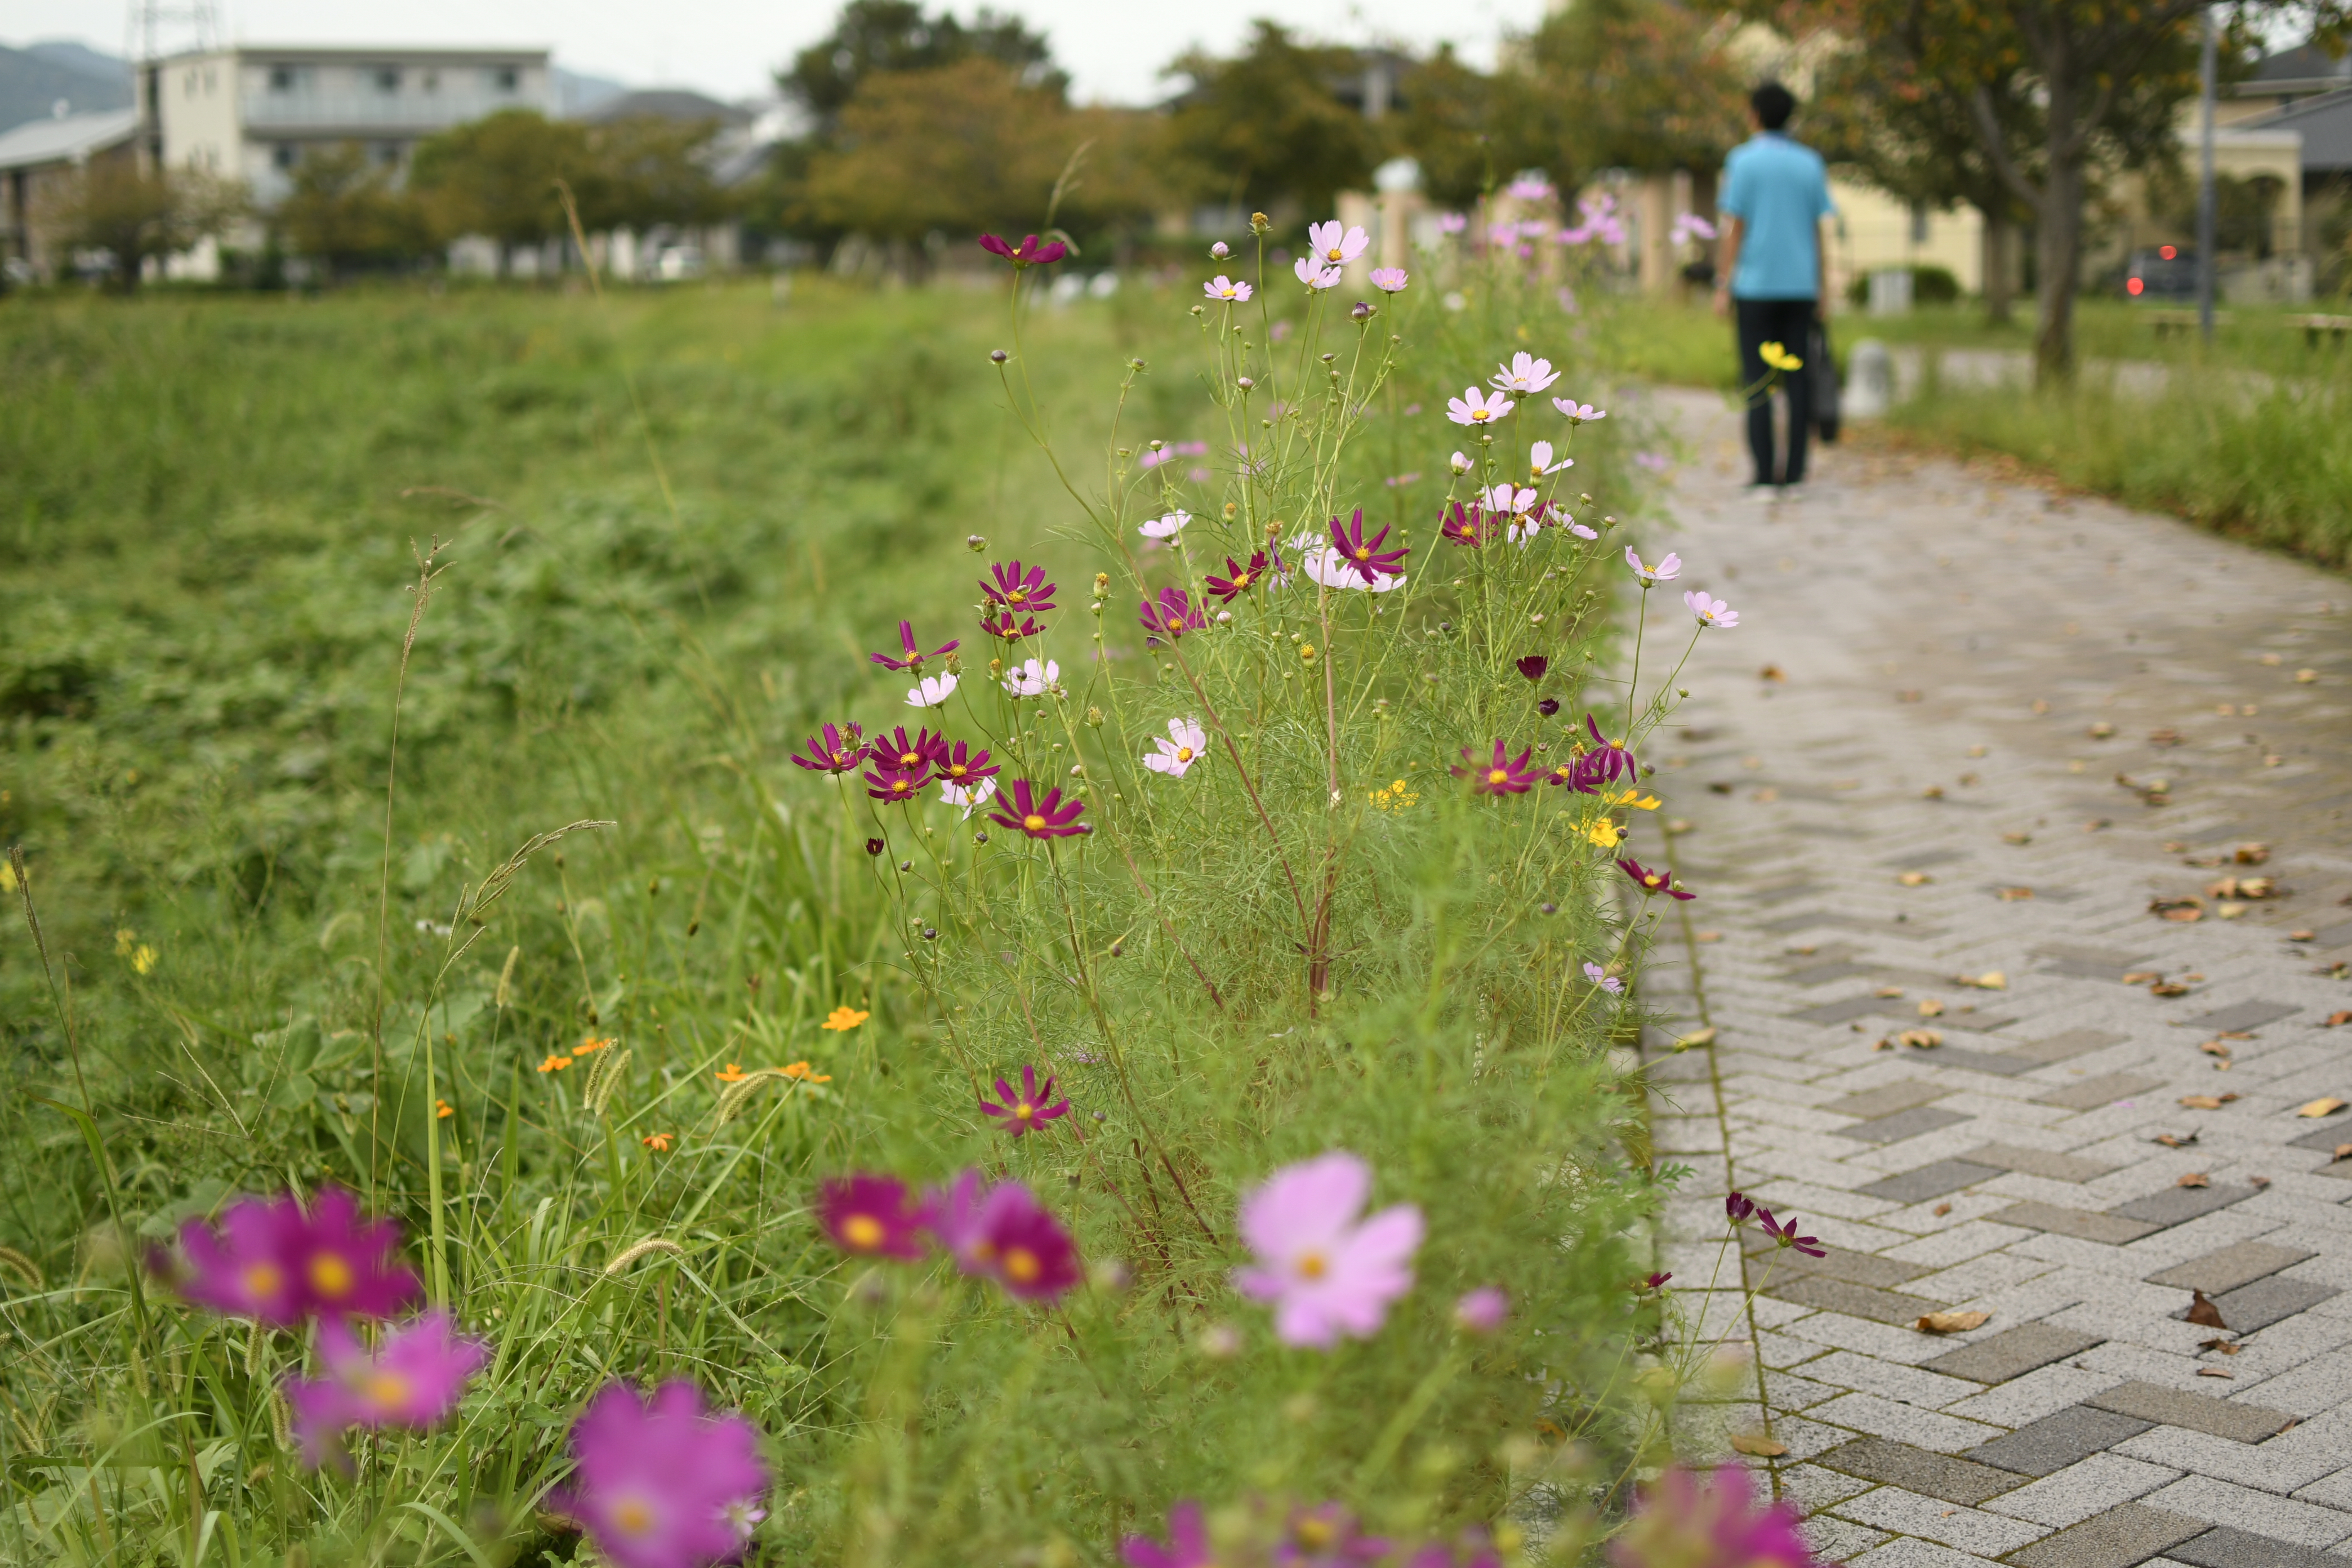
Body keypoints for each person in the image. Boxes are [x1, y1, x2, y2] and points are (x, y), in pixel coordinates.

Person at [1713, 82, 1835, 493]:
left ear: (1755, 115)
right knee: (1798, 380)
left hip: (1756, 287)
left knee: (1756, 378)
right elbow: (1820, 230)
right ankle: (1797, 471)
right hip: (1801, 287)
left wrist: (1722, 284)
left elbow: (1736, 228)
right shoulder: (1810, 163)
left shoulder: (1742, 161)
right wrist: (1824, 287)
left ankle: (1765, 473)